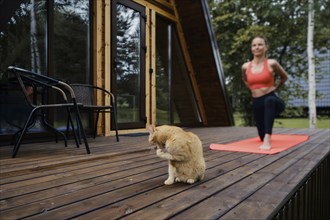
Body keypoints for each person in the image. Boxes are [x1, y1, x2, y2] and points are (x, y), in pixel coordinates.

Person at [242, 36, 288, 150]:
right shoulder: (245, 66)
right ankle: (265, 137)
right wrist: (252, 89)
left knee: (269, 100)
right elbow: (244, 79)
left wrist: (276, 89)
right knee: (261, 136)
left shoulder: (272, 63)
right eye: (254, 45)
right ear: (251, 48)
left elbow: (284, 77)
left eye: (260, 44)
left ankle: (268, 139)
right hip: (256, 102)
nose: (257, 47)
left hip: (271, 99)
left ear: (266, 47)